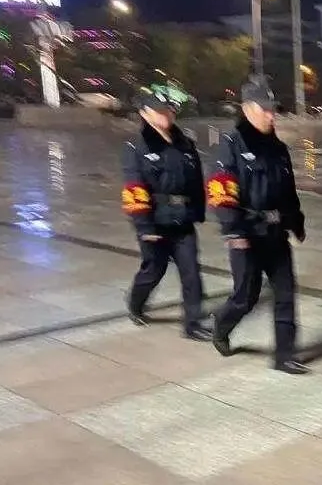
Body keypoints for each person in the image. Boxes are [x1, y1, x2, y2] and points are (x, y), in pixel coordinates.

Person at [208, 77, 309, 375]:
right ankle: (222, 323)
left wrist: (296, 221)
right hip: (247, 235)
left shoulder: (278, 148)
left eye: (272, 109)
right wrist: (233, 231)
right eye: (264, 109)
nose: (270, 115)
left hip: (276, 234)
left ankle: (285, 355)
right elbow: (221, 192)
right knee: (246, 297)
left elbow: (288, 191)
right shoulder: (231, 145)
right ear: (247, 109)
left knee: (286, 293)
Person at [120, 90, 211, 341]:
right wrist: (144, 226)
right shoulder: (136, 148)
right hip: (155, 221)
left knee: (191, 271)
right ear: (145, 114)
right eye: (159, 111)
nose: (166, 115)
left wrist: (198, 212)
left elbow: (196, 181)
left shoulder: (185, 144)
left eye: (169, 110)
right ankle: (135, 303)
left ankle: (193, 324)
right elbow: (134, 189)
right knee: (154, 270)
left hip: (183, 220)